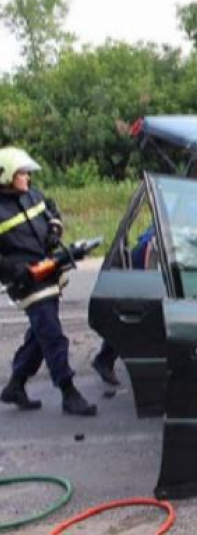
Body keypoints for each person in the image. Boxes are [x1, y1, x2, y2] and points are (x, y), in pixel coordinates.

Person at [0, 147, 97, 416]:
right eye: (23, 173)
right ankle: (68, 392)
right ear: (6, 175)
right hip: (27, 283)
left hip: (49, 272)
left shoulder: (33, 195)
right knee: (52, 335)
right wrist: (14, 270)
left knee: (41, 334)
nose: (28, 178)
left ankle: (16, 384)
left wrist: (54, 230)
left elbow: (51, 210)